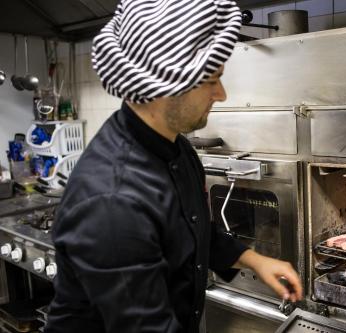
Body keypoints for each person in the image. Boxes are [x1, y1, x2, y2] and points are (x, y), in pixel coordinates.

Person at [45, 1, 302, 332]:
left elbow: (192, 230)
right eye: (212, 80)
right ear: (164, 85)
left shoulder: (174, 146)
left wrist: (255, 260)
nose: (221, 94)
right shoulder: (113, 201)